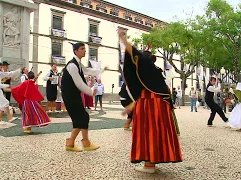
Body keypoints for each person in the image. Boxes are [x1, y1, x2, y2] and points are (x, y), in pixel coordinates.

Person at [119, 30, 182, 173]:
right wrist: (131, 106)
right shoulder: (154, 73)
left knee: (148, 132)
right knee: (158, 132)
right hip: (160, 104)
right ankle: (153, 161)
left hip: (150, 105)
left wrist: (123, 39)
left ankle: (149, 165)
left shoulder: (144, 64)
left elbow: (133, 53)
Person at [62, 42, 107, 152]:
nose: (84, 51)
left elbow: (88, 70)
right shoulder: (72, 65)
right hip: (70, 96)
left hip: (73, 95)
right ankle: (81, 143)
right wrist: (90, 92)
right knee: (82, 118)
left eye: (84, 49)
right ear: (75, 51)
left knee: (82, 118)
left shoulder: (78, 64)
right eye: (82, 49)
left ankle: (73, 143)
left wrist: (101, 70)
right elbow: (79, 83)